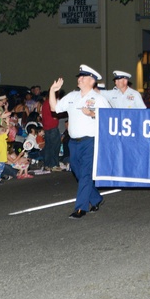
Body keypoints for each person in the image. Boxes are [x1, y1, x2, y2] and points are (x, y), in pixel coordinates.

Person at [50, 65, 111, 219]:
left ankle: (81, 208)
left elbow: (109, 118)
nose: (79, 79)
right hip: (73, 142)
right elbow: (54, 108)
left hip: (90, 141)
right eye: (79, 76)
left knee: (85, 174)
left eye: (83, 77)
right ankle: (96, 198)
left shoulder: (99, 99)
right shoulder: (72, 96)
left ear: (91, 80)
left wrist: (91, 113)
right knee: (77, 171)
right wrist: (53, 90)